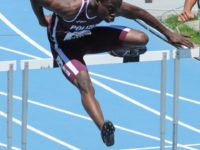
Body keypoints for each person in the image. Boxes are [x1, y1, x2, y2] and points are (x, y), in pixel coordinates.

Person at [30, 0, 194, 146]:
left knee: (141, 39)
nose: (114, 13)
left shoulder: (113, 5)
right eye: (110, 9)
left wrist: (170, 34)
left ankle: (117, 50)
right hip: (65, 46)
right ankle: (103, 127)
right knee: (85, 84)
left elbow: (140, 13)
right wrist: (42, 21)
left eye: (116, 9)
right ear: (97, 2)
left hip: (88, 37)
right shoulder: (68, 8)